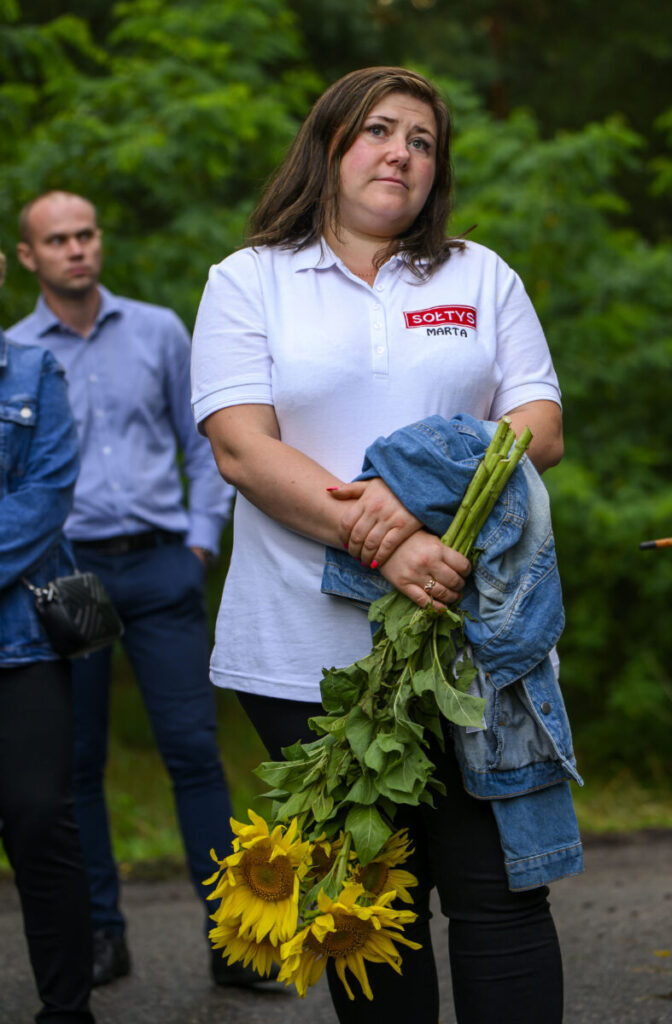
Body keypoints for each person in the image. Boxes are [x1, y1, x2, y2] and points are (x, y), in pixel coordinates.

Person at [191, 66, 582, 1024]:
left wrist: (412, 512)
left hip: (471, 641)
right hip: (302, 654)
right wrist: (384, 548)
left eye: (421, 140)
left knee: (498, 894)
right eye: (378, 130)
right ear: (328, 143)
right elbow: (242, 446)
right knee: (373, 909)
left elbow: (539, 419)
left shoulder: (477, 273)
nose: (401, 152)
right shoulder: (249, 280)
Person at [6, 192, 245, 989]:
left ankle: (233, 936)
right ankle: (102, 936)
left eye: (86, 234)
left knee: (194, 754)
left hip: (161, 564)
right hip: (61, 579)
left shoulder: (158, 330)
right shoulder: (14, 355)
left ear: (99, 242)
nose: (76, 249)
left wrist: (201, 540)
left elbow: (206, 438)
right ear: (29, 256)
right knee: (75, 767)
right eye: (57, 240)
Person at [0, 248, 96, 1022]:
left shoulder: (35, 374)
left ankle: (68, 1009)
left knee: (39, 820)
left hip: (20, 645)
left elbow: (44, 500)